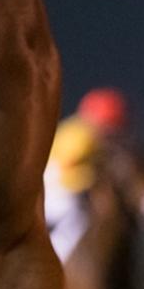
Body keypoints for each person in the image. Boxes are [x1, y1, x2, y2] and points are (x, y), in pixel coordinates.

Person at [44, 88, 130, 257]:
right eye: (110, 126)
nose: (112, 134)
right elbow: (65, 167)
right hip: (53, 185)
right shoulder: (79, 136)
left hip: (65, 186)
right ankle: (58, 257)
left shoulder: (88, 136)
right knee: (74, 217)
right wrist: (92, 177)